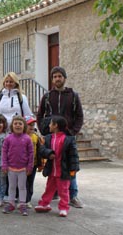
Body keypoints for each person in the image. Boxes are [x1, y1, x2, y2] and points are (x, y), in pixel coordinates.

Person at [36, 66, 84, 208]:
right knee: (52, 165)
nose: (57, 78)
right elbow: (39, 115)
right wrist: (44, 131)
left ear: (64, 78)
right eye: (55, 76)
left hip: (67, 137)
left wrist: (73, 131)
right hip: (52, 138)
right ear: (52, 79)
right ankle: (55, 192)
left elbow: (79, 116)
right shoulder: (47, 97)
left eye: (60, 76)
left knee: (70, 164)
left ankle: (72, 195)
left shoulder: (73, 96)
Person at [34, 115, 80, 217]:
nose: (49, 125)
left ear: (56, 126)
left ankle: (64, 207)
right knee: (49, 189)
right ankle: (44, 204)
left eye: (51, 123)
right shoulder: (48, 138)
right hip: (51, 171)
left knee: (63, 190)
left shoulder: (68, 139)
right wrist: (49, 153)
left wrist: (74, 169)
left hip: (63, 171)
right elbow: (42, 150)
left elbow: (74, 155)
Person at [1, 116, 34, 216]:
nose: (18, 125)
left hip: (23, 169)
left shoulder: (27, 139)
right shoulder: (8, 138)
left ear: (24, 126)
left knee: (22, 187)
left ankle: (22, 204)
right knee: (11, 186)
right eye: (15, 123)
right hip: (11, 168)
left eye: (20, 123)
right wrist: (4, 165)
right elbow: (4, 152)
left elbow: (31, 153)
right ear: (12, 125)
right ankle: (11, 203)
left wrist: (29, 166)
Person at [24, 115, 44, 209]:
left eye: (33, 124)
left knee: (30, 182)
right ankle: (22, 199)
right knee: (22, 183)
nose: (32, 127)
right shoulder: (21, 137)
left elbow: (39, 151)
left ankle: (27, 200)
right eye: (29, 125)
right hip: (22, 165)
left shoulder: (36, 137)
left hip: (33, 164)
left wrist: (40, 164)